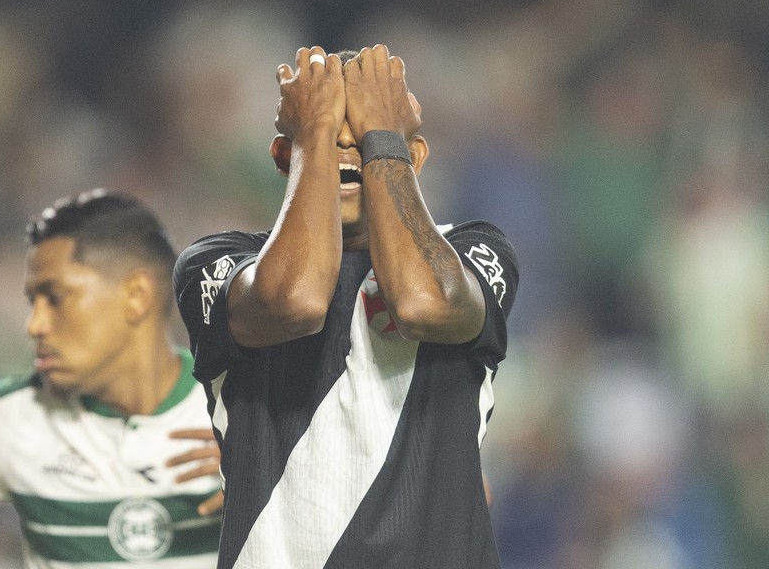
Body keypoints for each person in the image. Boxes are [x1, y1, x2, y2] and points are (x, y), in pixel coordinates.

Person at [174, 45, 519, 568]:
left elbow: (423, 303)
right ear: (285, 157)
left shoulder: (474, 251)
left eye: (367, 137)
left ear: (411, 156)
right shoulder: (216, 263)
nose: (348, 149)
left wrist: (381, 133)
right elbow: (298, 300)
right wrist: (315, 129)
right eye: (329, 136)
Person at [0, 190, 223, 568]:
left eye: (55, 298)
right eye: (32, 301)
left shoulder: (240, 410)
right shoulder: (15, 418)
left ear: (136, 295)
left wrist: (260, 477)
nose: (34, 325)